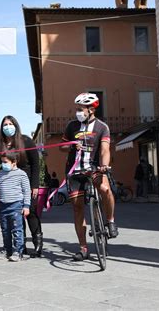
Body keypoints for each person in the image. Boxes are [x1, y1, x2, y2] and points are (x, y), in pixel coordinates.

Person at [59, 93, 119, 261]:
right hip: (75, 171)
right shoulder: (72, 126)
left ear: (91, 110)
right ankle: (83, 248)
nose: (77, 112)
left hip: (94, 168)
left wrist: (104, 165)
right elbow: (62, 146)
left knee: (105, 189)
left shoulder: (102, 127)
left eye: (80, 109)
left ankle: (110, 220)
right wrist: (71, 145)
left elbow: (105, 150)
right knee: (77, 208)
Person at [0, 116, 42, 257]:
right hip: (9, 182)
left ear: (16, 125)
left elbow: (36, 164)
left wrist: (35, 185)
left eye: (11, 124)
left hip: (26, 180)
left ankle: (38, 243)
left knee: (31, 212)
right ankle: (20, 247)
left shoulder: (26, 141)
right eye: (5, 124)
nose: (8, 127)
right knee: (17, 217)